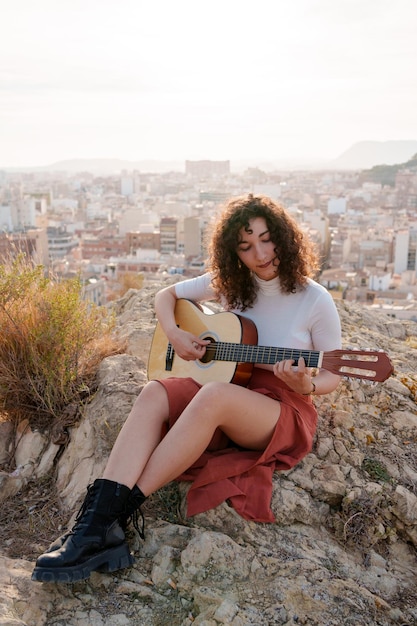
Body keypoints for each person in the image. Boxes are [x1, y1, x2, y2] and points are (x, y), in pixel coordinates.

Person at [32, 193, 342, 583]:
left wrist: (307, 383)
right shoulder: (232, 284)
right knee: (154, 392)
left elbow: (334, 375)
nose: (260, 254)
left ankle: (115, 518)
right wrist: (175, 333)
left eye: (267, 239)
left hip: (281, 408)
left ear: (284, 237)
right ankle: (93, 527)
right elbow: (168, 296)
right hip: (232, 382)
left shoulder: (315, 299)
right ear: (234, 253)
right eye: (246, 247)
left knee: (211, 397)